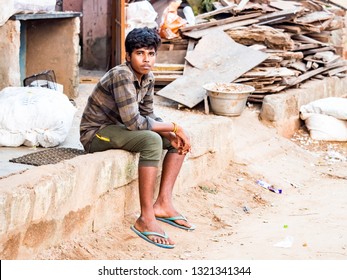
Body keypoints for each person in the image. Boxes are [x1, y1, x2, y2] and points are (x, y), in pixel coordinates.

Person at [79, 27, 195, 249]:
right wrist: (174, 126)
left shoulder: (148, 77)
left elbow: (148, 115)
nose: (146, 59)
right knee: (152, 140)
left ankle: (163, 203)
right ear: (128, 56)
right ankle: (146, 218)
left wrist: (173, 133)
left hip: (119, 128)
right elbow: (135, 123)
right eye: (140, 53)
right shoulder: (121, 75)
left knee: (173, 140)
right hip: (96, 133)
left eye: (151, 54)